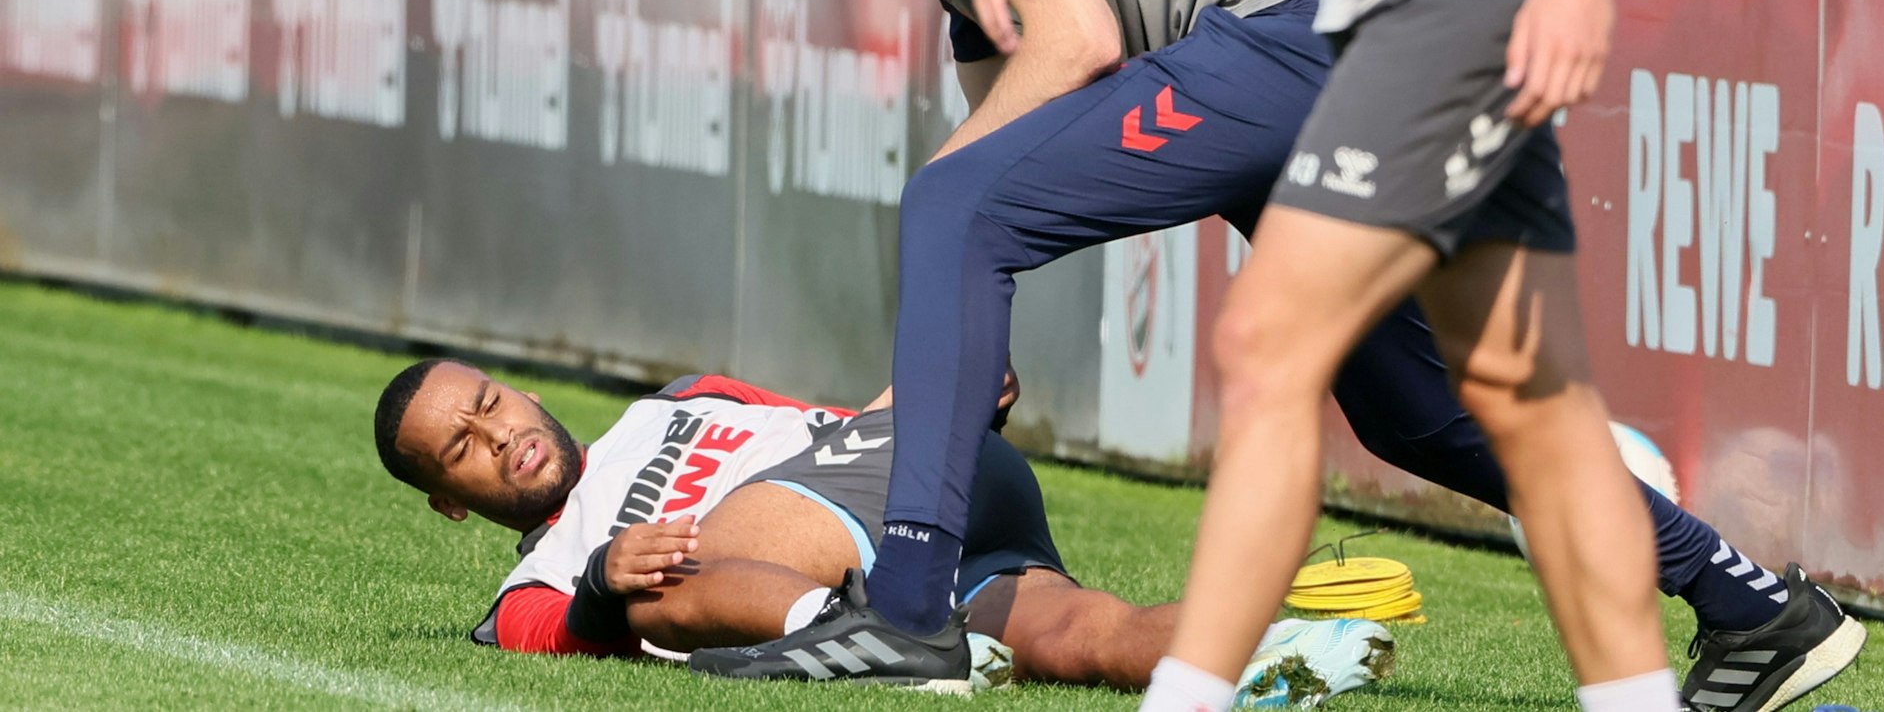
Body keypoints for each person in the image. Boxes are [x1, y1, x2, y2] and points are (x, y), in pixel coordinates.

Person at [650, 0, 1862, 709]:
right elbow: (1003, 108)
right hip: (1322, 42)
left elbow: (1071, 45)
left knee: (948, 199)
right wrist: (960, 329)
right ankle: (1754, 606)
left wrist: (955, 234)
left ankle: (907, 612)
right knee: (1417, 413)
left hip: (1294, 36)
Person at [372, 358, 1394, 702]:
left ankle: (866, 640)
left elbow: (836, 431)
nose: (496, 434)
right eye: (460, 447)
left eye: (489, 404)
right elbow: (530, 632)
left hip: (896, 479)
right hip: (944, 535)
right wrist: (596, 583)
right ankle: (1281, 641)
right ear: (449, 503)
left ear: (521, 392)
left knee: (675, 577)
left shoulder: (674, 403)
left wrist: (925, 391)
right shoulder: (540, 575)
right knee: (1080, 638)